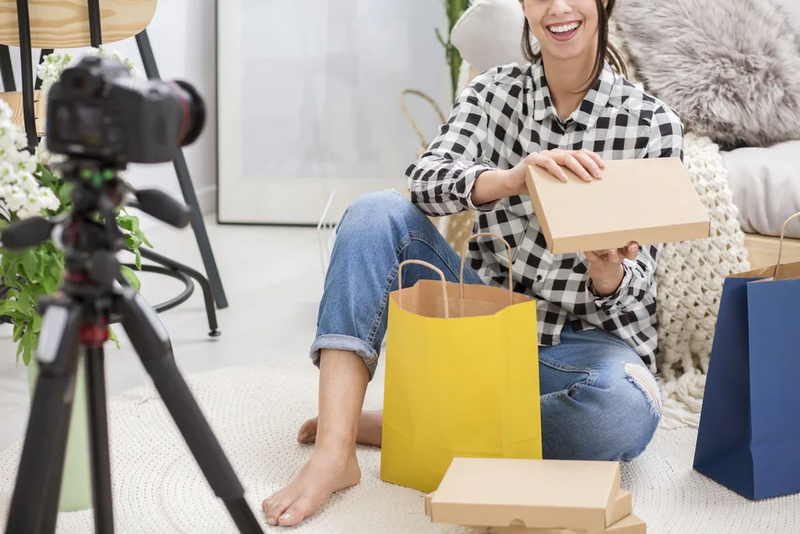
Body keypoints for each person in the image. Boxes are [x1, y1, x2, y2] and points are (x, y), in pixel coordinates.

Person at [262, 0, 684, 527]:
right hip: (489, 324)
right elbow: (424, 180)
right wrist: (508, 179)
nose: (557, 8)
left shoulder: (654, 125)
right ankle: (335, 449)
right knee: (375, 212)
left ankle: (414, 427)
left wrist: (606, 271)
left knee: (624, 412)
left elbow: (642, 288)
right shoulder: (493, 92)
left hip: (586, 349)